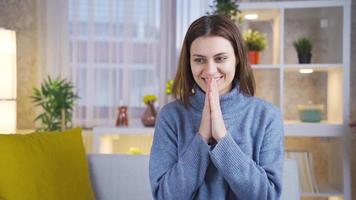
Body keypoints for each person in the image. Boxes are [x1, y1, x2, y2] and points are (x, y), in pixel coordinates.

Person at [149, 15, 284, 200]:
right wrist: (202, 137)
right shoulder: (171, 116)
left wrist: (222, 137)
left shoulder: (267, 116)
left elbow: (267, 196)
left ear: (237, 58)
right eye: (199, 60)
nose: (211, 70)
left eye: (220, 58)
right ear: (189, 62)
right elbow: (165, 196)